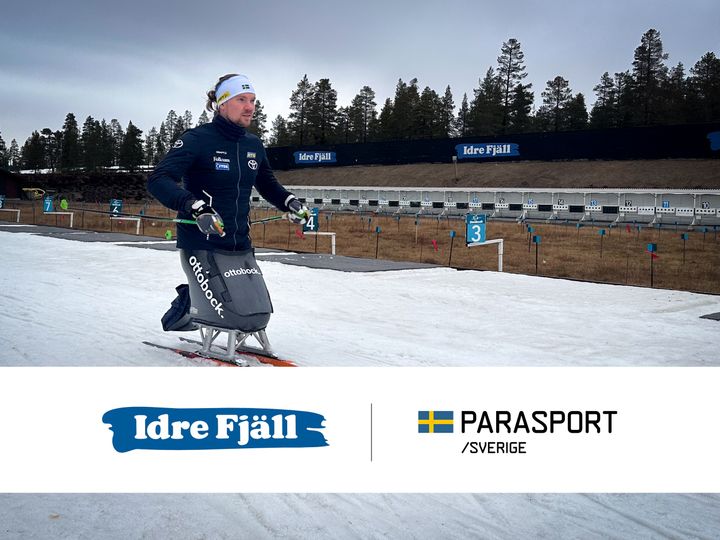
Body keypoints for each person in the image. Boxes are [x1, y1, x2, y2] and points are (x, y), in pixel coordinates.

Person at [148, 73, 309, 359]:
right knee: (232, 312)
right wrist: (195, 206)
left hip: (240, 243)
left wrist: (291, 202)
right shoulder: (197, 140)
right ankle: (190, 305)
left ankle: (192, 301)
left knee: (255, 312)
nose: (250, 107)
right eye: (241, 100)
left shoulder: (253, 145)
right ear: (222, 104)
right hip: (203, 242)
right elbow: (158, 179)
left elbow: (268, 184)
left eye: (253, 101)